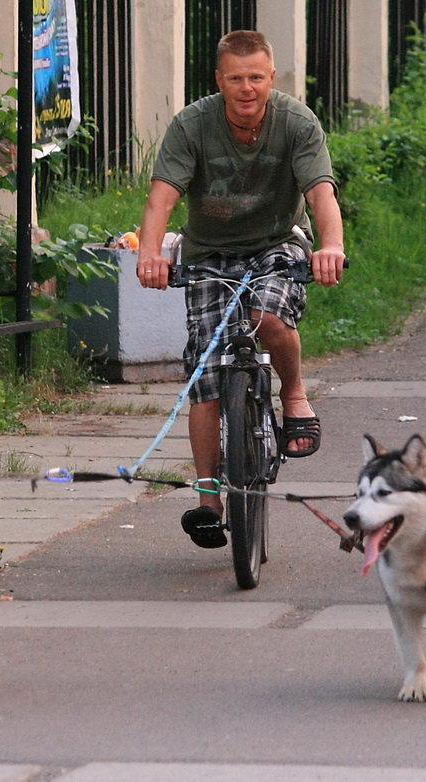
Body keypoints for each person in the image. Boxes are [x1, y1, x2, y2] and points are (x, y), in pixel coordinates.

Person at [137, 30, 345, 549]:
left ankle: (294, 395)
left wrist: (331, 246)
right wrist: (150, 252)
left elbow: (321, 193)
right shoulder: (192, 124)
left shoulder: (297, 122)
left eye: (256, 77)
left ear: (271, 78)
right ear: (219, 80)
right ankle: (208, 501)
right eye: (236, 78)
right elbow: (162, 199)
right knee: (206, 377)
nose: (247, 88)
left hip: (277, 243)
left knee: (270, 318)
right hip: (209, 254)